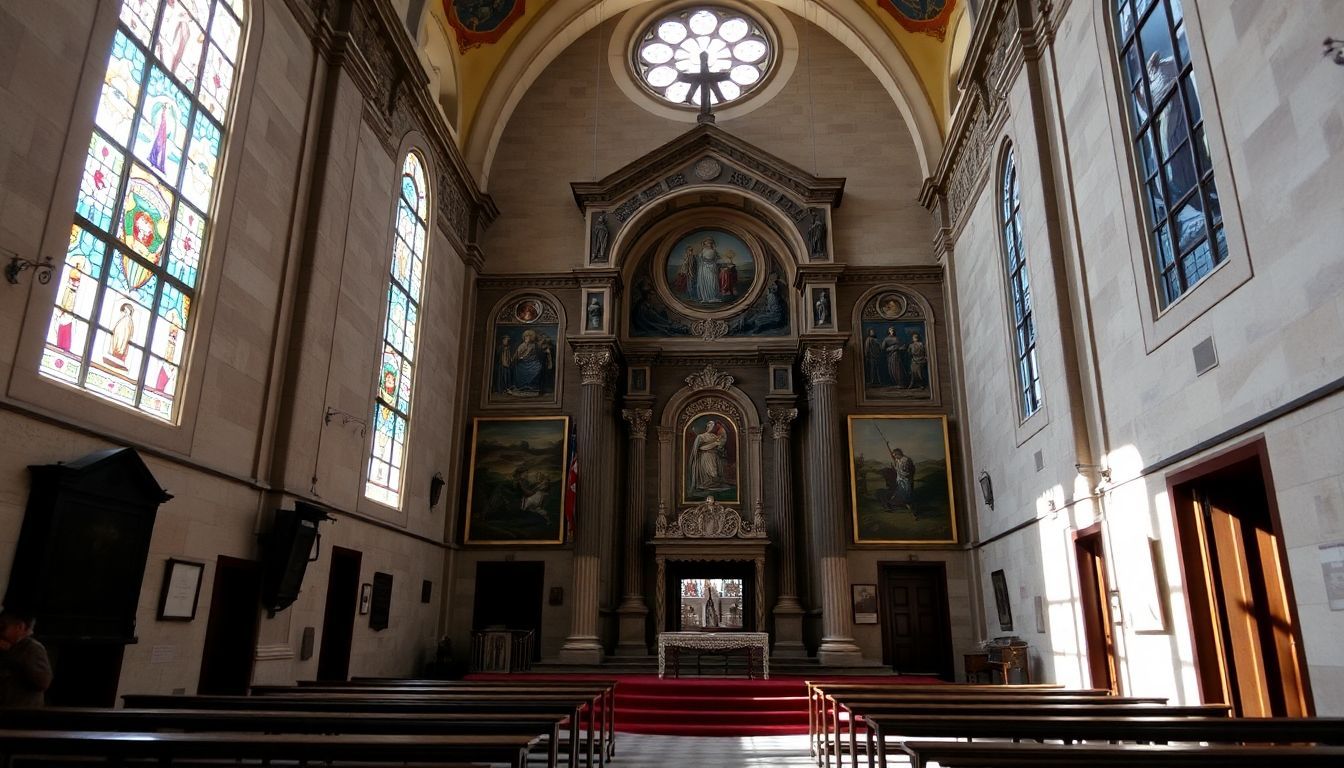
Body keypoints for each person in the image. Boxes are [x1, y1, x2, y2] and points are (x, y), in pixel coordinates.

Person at [0, 610, 52, 708]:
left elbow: (43, 681)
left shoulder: (32, 648)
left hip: (21, 711)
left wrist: (11, 654)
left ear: (20, 627)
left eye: (3, 627)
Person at [688, 419, 730, 495]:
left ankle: (712, 485)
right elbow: (697, 449)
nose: (711, 427)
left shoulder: (714, 436)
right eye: (710, 426)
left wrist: (719, 446)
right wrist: (714, 444)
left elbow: (720, 446)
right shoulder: (701, 436)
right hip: (705, 456)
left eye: (713, 426)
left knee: (715, 473)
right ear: (707, 427)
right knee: (709, 472)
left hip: (714, 456)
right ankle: (704, 485)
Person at [105, 302, 135, 370]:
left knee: (119, 349)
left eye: (126, 310)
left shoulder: (127, 320)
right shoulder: (124, 319)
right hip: (117, 339)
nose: (124, 312)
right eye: (124, 310)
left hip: (121, 342)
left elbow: (125, 334)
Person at [695, 237, 721, 303]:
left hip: (711, 267)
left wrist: (713, 260)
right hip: (704, 268)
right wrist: (701, 258)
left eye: (710, 243)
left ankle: (713, 297)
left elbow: (717, 258)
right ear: (705, 243)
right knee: (704, 282)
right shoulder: (703, 250)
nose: (709, 244)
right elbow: (700, 259)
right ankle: (705, 298)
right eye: (707, 242)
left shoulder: (714, 250)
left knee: (712, 281)